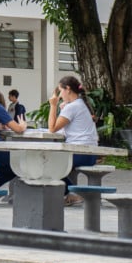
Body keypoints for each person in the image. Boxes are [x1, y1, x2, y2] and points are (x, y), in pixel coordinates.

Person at [47, 75, 99, 205]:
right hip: (89, 153)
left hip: (81, 153)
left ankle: (73, 194)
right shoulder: (80, 104)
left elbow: (52, 128)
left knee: (46, 163)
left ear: (68, 89)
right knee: (51, 161)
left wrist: (53, 106)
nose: (59, 95)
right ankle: (71, 193)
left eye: (60, 91)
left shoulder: (73, 106)